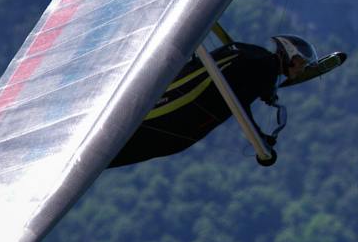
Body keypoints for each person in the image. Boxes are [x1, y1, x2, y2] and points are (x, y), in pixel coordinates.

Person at [110, 34, 329, 167]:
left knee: (121, 150)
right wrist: (260, 139)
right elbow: (240, 100)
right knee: (115, 151)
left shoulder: (258, 56)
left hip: (181, 107)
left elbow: (240, 80)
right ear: (288, 55)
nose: (302, 68)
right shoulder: (265, 67)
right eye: (300, 62)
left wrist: (265, 90)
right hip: (178, 114)